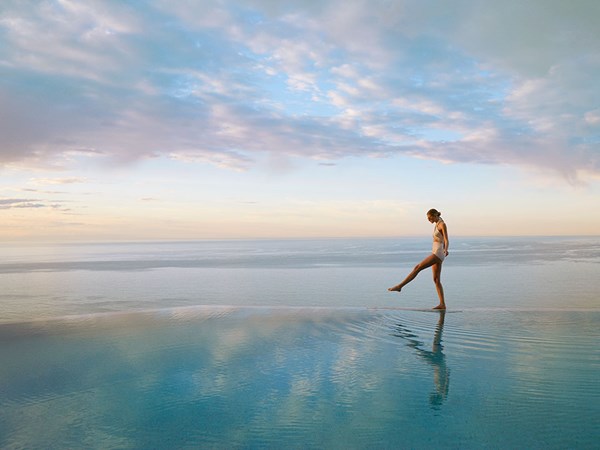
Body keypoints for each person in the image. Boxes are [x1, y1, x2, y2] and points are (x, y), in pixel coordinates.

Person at [388, 208, 449, 309]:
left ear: (435, 215)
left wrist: (446, 249)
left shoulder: (442, 224)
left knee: (418, 267)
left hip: (438, 253)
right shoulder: (437, 224)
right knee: (436, 279)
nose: (429, 220)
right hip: (435, 251)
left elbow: (446, 239)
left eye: (430, 218)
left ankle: (400, 286)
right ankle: (442, 304)